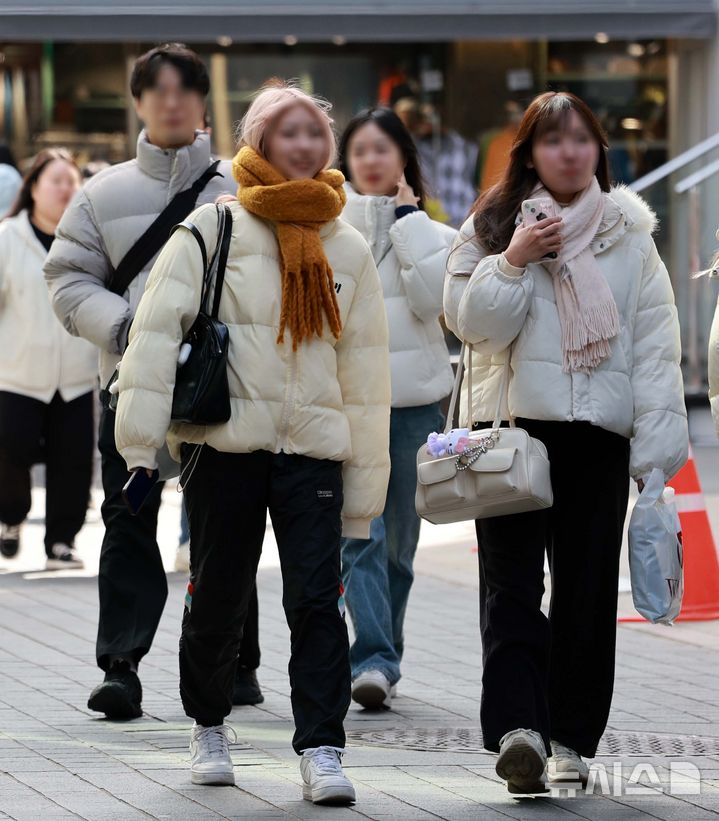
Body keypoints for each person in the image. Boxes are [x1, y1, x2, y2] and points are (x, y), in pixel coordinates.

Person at [113, 80, 390, 804]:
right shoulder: (213, 227)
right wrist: (139, 446)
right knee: (219, 597)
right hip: (225, 444)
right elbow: (152, 337)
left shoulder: (347, 242)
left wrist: (365, 480)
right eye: (288, 131)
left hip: (312, 448)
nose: (303, 143)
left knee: (315, 602)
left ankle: (322, 747)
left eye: (313, 133)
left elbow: (363, 370)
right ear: (260, 141)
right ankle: (208, 723)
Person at [443, 91, 688, 795]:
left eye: (581, 139)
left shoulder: (628, 237)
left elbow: (653, 346)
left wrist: (654, 457)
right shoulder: (491, 227)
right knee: (511, 589)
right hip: (516, 433)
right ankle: (521, 729)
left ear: (598, 152)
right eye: (553, 140)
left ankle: (572, 739)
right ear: (529, 152)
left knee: (585, 595)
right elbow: (471, 325)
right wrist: (513, 259)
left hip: (597, 439)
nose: (569, 152)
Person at [43, 43, 262, 720]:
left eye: (185, 89)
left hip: (224, 387)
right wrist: (129, 327)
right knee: (128, 518)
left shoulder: (243, 185)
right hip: (129, 386)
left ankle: (237, 664)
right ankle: (121, 667)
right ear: (138, 101)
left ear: (202, 102)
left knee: (224, 524)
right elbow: (66, 278)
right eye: (157, 89)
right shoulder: (102, 193)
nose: (171, 100)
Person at [337, 107, 454, 709]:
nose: (371, 160)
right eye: (360, 150)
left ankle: (386, 656)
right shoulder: (327, 227)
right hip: (349, 405)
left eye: (383, 148)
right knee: (359, 534)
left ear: (404, 157)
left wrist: (409, 221)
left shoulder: (437, 235)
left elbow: (436, 302)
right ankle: (374, 659)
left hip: (413, 408)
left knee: (398, 549)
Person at [0, 149, 96, 567]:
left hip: (76, 374)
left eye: (71, 182)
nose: (64, 189)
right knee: (10, 455)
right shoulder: (7, 237)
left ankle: (61, 540)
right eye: (55, 180)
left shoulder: (88, 241)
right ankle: (11, 518)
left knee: (72, 462)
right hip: (16, 373)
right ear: (33, 187)